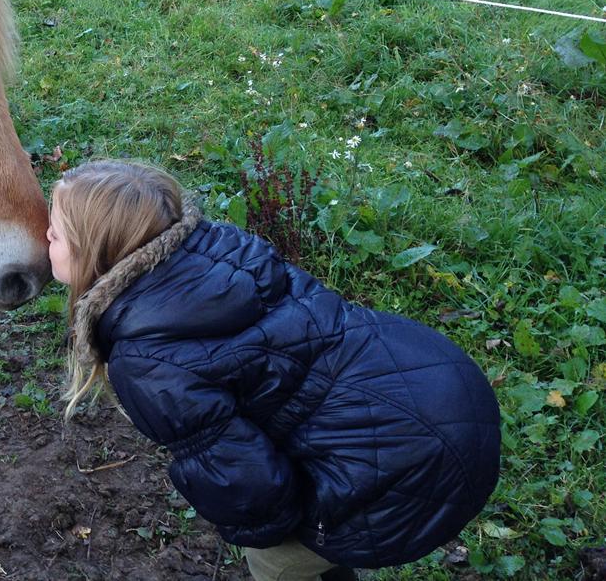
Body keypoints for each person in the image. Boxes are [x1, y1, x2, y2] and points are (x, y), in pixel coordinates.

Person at [51, 160, 501, 581]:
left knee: (274, 561)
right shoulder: (221, 250)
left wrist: (270, 533)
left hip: (409, 469)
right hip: (444, 387)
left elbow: (248, 488)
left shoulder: (144, 361)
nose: (44, 237)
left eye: (55, 234)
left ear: (95, 253)